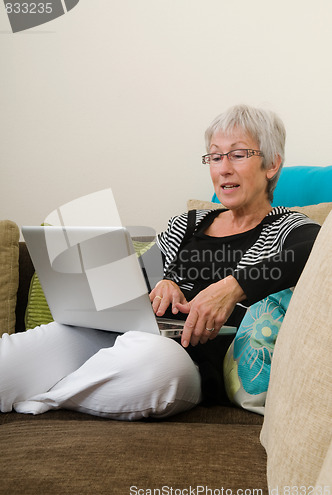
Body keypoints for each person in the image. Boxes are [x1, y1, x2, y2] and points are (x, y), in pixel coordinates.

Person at [0, 105, 320, 419]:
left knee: (152, 365)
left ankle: (45, 399)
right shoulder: (186, 224)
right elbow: (135, 280)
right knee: (11, 359)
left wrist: (232, 287)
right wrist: (161, 283)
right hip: (120, 338)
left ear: (272, 164)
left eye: (237, 155)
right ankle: (58, 388)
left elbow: (317, 248)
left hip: (183, 361)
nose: (223, 168)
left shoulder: (287, 229)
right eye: (215, 156)